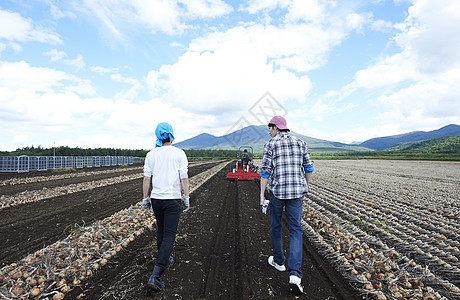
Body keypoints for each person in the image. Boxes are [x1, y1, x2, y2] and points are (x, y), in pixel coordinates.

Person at [259, 115, 314, 296]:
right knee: (295, 230)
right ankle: (295, 276)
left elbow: (266, 171)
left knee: (276, 226)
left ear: (276, 127)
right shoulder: (300, 142)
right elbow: (309, 168)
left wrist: (261, 194)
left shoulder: (271, 144)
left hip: (278, 193)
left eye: (270, 128)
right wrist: (306, 186)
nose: (269, 131)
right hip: (297, 193)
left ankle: (279, 261)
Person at [141, 122, 190, 292]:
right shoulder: (179, 153)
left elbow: (147, 179)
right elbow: (183, 177)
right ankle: (156, 274)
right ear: (171, 135)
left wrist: (145, 198)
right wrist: (186, 196)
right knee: (170, 234)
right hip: (172, 199)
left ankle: (165, 257)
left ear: (158, 136)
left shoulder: (151, 154)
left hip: (157, 199)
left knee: (161, 229)